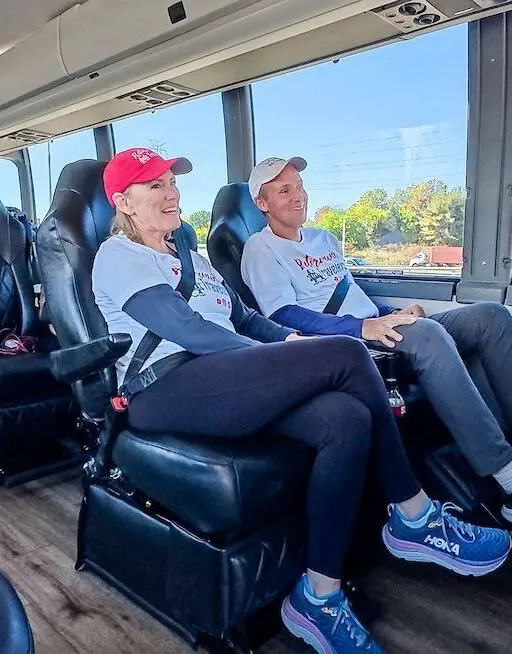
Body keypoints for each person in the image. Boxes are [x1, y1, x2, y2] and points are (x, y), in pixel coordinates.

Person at [92, 148, 511, 654]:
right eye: (154, 185)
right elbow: (188, 330)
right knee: (348, 354)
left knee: (346, 417)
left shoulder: (192, 258)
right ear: (124, 202)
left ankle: (318, 594)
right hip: (165, 387)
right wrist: (288, 362)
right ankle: (413, 515)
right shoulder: (117, 256)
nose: (171, 192)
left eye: (171, 182)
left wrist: (292, 348)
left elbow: (244, 319)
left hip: (222, 373)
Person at [241, 156, 512, 525]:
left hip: (374, 326)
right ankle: (505, 473)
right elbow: (281, 315)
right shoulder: (261, 249)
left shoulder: (326, 239)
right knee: (429, 334)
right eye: (283, 190)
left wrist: (396, 311)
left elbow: (355, 297)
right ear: (262, 203)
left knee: (491, 316)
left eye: (299, 186)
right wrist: (361, 328)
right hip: (344, 343)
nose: (297, 196)